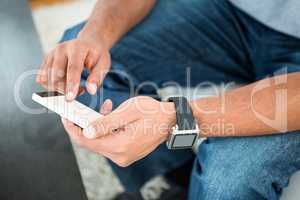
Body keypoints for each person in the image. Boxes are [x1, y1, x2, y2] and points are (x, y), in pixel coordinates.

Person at [36, 0, 300, 199]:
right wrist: (95, 36)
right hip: (233, 10)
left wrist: (176, 119)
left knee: (228, 178)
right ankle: (175, 181)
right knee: (81, 59)